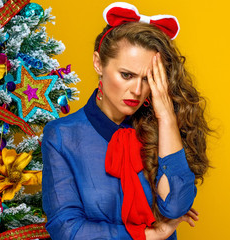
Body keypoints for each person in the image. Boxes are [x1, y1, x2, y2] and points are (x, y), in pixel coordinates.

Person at [42, 2, 211, 239]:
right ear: (98, 63)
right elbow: (66, 229)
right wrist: (149, 235)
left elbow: (175, 206)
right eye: (126, 75)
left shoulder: (162, 129)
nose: (137, 90)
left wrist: (167, 118)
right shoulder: (62, 136)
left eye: (147, 79)